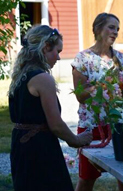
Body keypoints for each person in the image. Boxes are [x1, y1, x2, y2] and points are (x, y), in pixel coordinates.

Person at [8, 25, 93, 191]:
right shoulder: (42, 78)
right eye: (58, 51)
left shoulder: (21, 74)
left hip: (21, 146)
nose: (59, 58)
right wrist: (76, 140)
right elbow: (56, 124)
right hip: (39, 149)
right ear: (46, 47)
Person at [72, 12, 123, 191]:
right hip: (91, 127)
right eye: (111, 27)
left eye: (117, 29)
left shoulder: (121, 59)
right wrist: (103, 83)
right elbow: (80, 96)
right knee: (86, 180)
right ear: (98, 29)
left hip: (118, 127)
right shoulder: (82, 59)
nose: (115, 32)